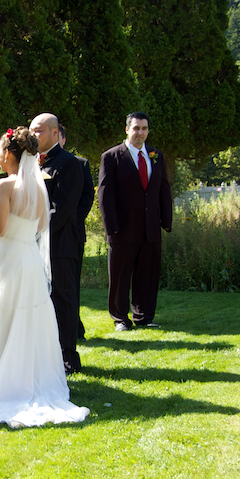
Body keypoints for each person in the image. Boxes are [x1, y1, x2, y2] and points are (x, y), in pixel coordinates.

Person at [0, 127, 89, 427]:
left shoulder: (3, 187)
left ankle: (1, 383)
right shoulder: (39, 187)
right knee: (30, 320)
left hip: (8, 259)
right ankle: (34, 379)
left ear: (9, 154)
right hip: (29, 260)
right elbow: (39, 226)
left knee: (3, 319)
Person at [98, 112, 173, 330]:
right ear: (127, 130)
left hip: (150, 229)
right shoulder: (112, 157)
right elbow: (105, 194)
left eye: (144, 128)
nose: (140, 132)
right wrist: (111, 227)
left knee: (147, 275)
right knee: (121, 277)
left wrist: (166, 221)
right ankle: (120, 319)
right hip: (122, 229)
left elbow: (163, 190)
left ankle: (144, 317)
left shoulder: (155, 155)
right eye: (136, 128)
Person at [30, 113, 84, 373]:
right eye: (32, 130)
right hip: (34, 244)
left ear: (54, 133)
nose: (34, 135)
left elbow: (62, 209)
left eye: (38, 131)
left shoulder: (68, 163)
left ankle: (68, 356)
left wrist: (34, 228)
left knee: (63, 299)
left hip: (60, 245)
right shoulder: (31, 162)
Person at [58, 124, 95, 341]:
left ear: (62, 138)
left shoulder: (79, 164)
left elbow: (86, 197)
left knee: (70, 284)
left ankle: (75, 327)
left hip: (72, 232)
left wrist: (72, 218)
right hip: (52, 231)